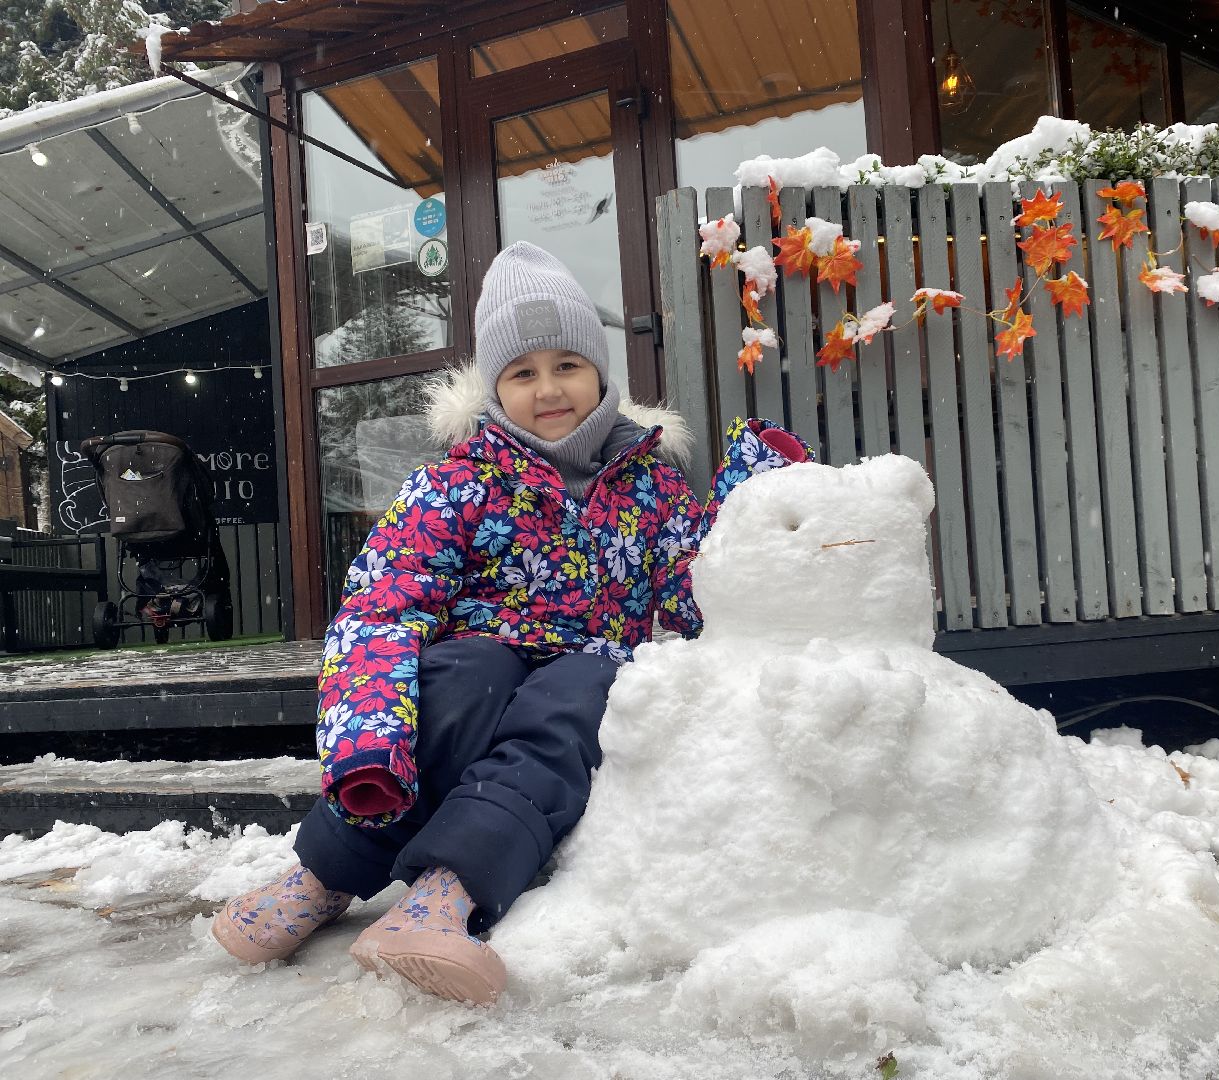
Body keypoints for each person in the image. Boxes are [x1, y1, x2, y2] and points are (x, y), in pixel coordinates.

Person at [210, 241, 809, 1006]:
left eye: (567, 363)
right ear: (495, 387)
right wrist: (366, 741)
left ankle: (444, 896)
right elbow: (382, 606)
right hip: (474, 685)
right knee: (471, 672)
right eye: (523, 372)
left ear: (601, 373)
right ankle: (327, 873)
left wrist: (753, 493)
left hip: (583, 677)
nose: (549, 387)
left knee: (588, 684)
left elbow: (699, 595)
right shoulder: (454, 484)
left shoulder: (651, 483)